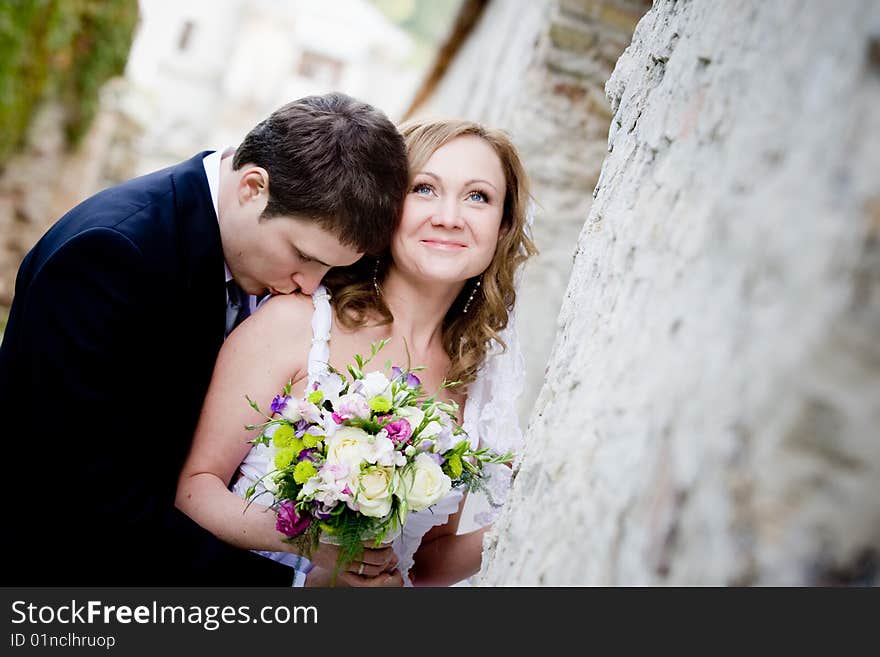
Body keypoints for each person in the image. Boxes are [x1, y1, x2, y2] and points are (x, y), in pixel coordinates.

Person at [0, 92, 409, 585]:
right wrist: (293, 588)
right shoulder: (111, 255)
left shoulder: (247, 260)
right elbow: (83, 494)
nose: (310, 284)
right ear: (253, 187)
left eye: (328, 268)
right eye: (303, 256)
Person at [176, 118, 537, 586]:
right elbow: (194, 489)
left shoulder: (475, 377)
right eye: (424, 189)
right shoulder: (295, 323)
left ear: (503, 225)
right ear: (386, 208)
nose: (450, 216)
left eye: (478, 197)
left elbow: (424, 562)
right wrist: (309, 547)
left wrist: (521, 518)